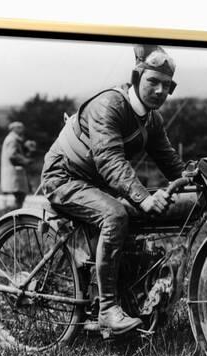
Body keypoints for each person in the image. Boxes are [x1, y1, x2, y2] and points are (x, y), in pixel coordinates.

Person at [41, 45, 198, 335]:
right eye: (153, 82)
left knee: (131, 219)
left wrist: (200, 178)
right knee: (115, 215)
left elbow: (170, 161)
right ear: (136, 77)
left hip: (94, 182)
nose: (161, 91)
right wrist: (144, 198)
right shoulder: (110, 105)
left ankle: (126, 299)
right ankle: (107, 311)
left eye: (167, 85)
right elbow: (109, 161)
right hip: (63, 178)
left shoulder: (152, 119)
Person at [0, 121, 33, 209]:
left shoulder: (14, 139)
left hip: (14, 173)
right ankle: (15, 213)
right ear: (14, 129)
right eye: (20, 128)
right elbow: (13, 155)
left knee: (19, 196)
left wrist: (25, 148)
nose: (22, 130)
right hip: (14, 173)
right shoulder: (12, 140)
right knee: (20, 196)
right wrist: (26, 161)